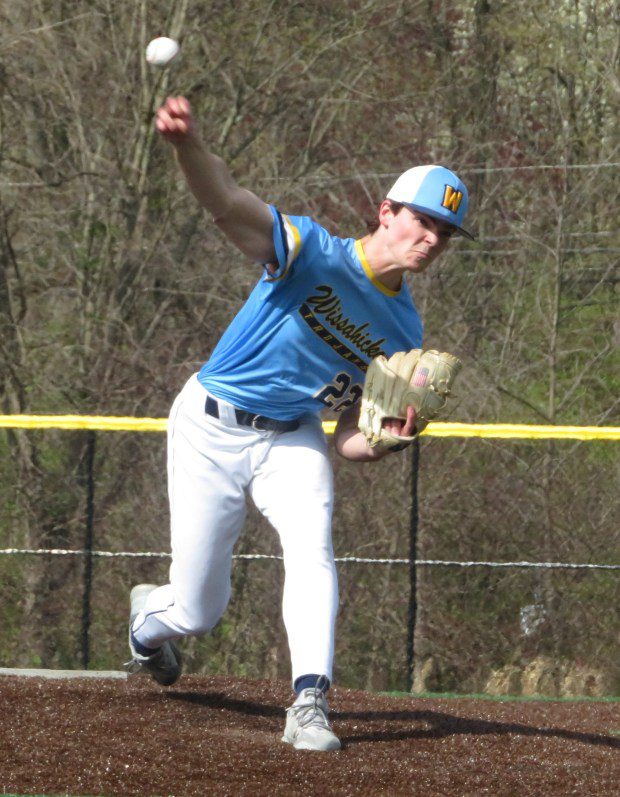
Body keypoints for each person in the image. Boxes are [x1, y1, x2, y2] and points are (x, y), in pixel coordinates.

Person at [126, 96, 473, 752]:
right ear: (386, 212)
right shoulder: (311, 251)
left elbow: (347, 439)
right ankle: (149, 626)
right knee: (199, 609)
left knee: (312, 546)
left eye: (444, 232)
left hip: (292, 435)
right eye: (423, 220)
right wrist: (187, 146)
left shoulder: (404, 329)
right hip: (210, 426)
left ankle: (309, 699)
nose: (431, 238)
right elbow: (227, 203)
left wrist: (390, 437)